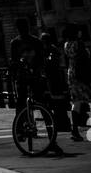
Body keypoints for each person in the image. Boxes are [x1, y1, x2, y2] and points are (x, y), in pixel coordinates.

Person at [9, 19, 65, 157]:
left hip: (26, 76)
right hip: (32, 76)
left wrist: (17, 71)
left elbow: (14, 62)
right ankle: (50, 138)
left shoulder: (16, 42)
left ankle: (20, 130)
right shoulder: (34, 41)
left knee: (22, 103)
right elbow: (41, 60)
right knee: (40, 105)